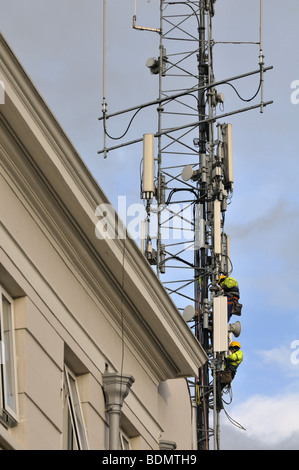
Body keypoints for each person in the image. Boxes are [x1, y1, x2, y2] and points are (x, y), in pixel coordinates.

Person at [216, 341, 243, 411]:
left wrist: (225, 358)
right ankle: (218, 404)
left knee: (217, 388)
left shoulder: (239, 353)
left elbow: (233, 357)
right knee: (216, 388)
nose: (230, 351)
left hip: (229, 374)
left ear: (234, 348)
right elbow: (226, 365)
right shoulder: (232, 357)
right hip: (227, 374)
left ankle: (219, 405)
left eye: (231, 349)